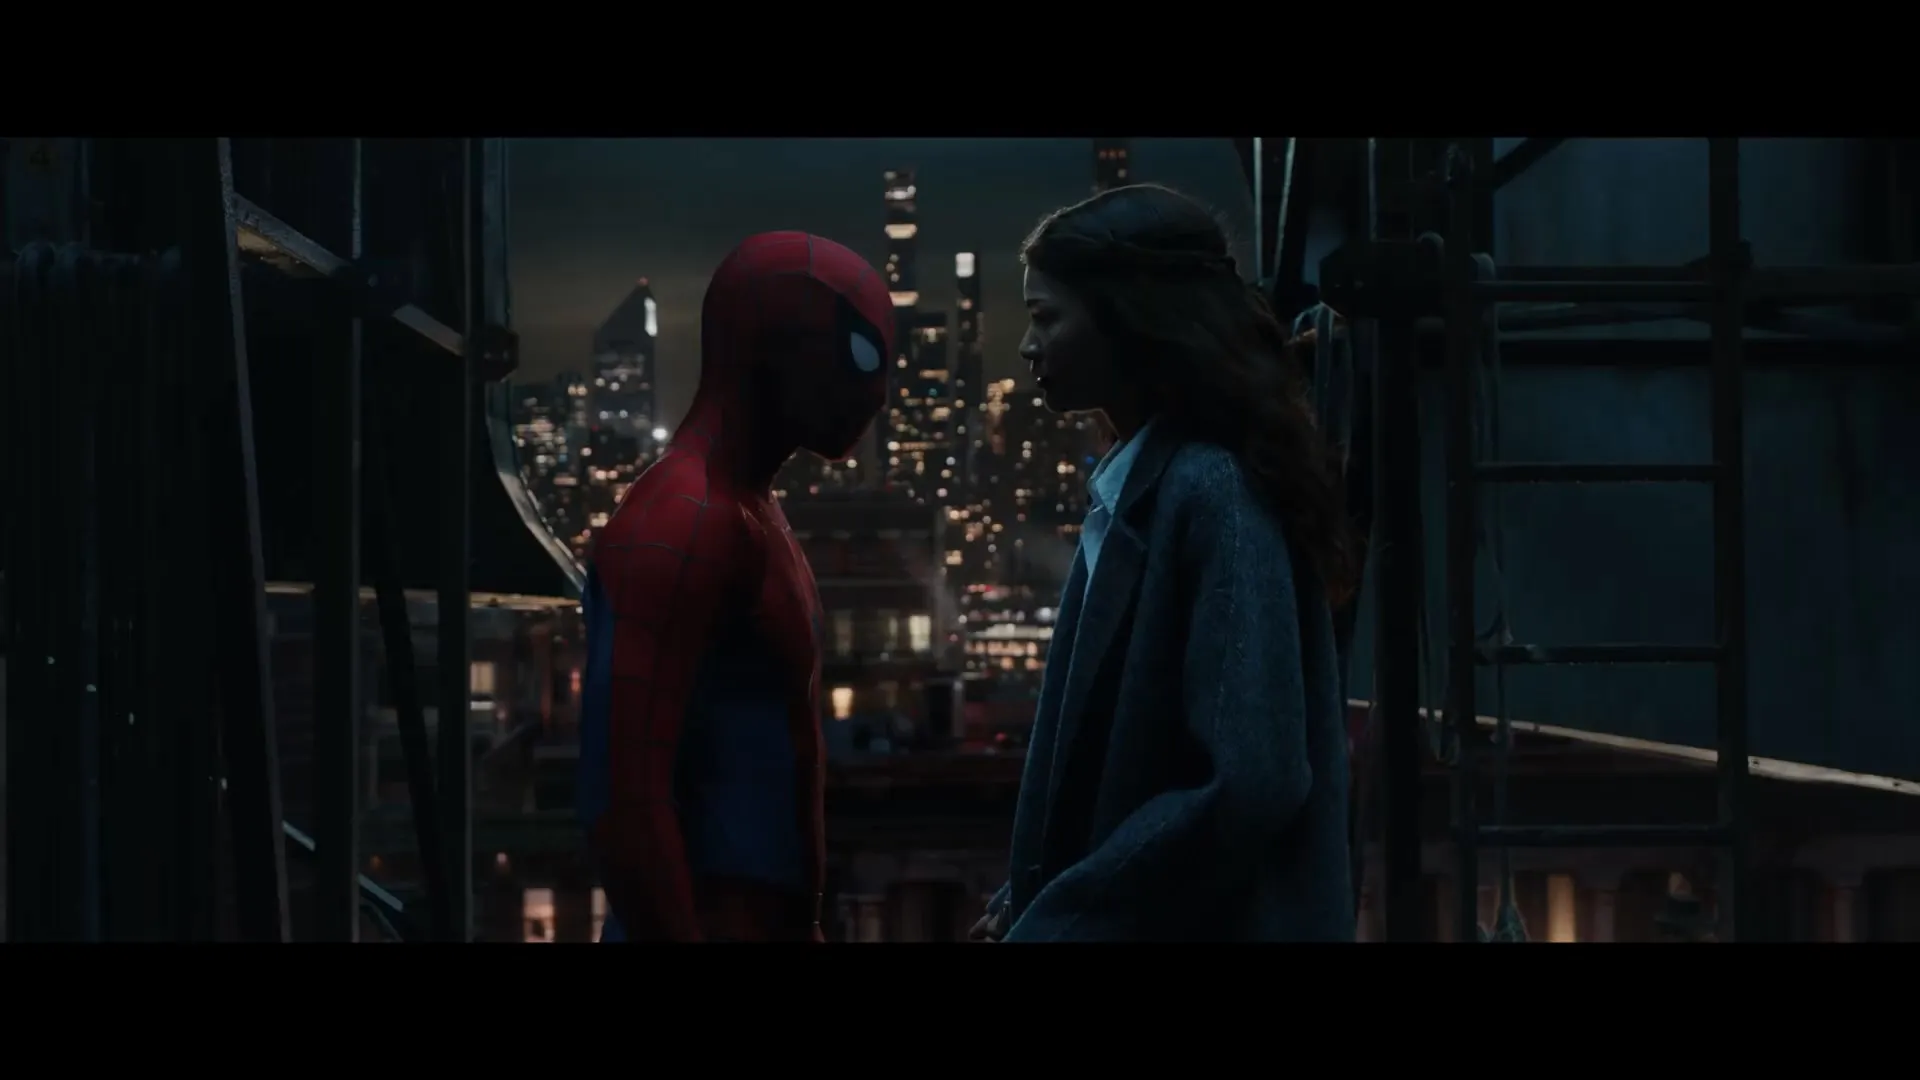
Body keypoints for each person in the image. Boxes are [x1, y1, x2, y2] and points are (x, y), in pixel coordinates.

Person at [970, 184, 1358, 942]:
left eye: (1047, 317)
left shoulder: (1210, 490)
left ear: (1130, 318)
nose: (1027, 347)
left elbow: (1251, 780)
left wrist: (1062, 919)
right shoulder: (1157, 487)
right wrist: (1035, 901)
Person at [579, 232, 894, 942]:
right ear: (774, 342)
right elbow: (625, 797)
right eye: (859, 355)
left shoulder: (748, 513)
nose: (876, 395)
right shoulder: (684, 519)